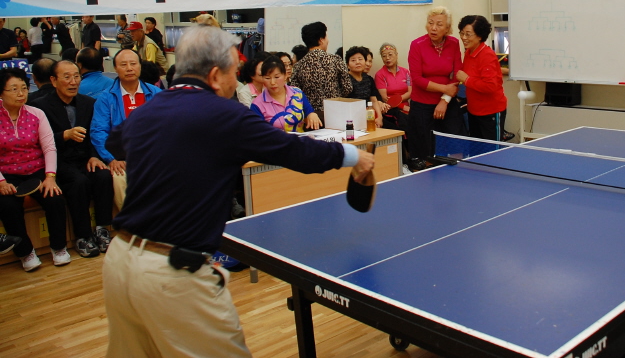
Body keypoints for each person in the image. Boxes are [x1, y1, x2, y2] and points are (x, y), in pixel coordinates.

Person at [101, 24, 374, 358]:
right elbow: (296, 152)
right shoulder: (224, 114)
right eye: (234, 71)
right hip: (171, 271)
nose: (238, 80)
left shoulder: (149, 110)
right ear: (215, 75)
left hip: (120, 263)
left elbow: (116, 141)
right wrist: (353, 155)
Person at [31, 60, 114, 257]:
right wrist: (64, 135)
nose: (73, 82)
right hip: (58, 161)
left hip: (84, 158)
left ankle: (103, 229)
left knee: (103, 175)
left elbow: (96, 134)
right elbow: (37, 142)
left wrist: (95, 156)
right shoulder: (39, 107)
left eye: (76, 76)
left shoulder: (89, 103)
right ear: (53, 80)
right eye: (67, 77)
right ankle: (82, 236)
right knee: (79, 182)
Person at [0, 68, 70, 271]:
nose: (21, 93)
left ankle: (59, 248)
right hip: (7, 175)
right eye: (14, 89)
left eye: (23, 88)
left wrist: (50, 177)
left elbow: (49, 147)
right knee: (8, 206)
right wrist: (1, 182)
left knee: (55, 198)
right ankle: (25, 252)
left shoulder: (36, 114)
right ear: (1, 93)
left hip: (37, 170)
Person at [91, 49, 162, 209]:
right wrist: (111, 159)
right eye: (123, 65)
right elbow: (99, 132)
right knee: (119, 176)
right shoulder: (105, 98)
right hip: (122, 158)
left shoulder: (157, 94)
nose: (129, 68)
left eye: (133, 64)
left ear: (140, 66)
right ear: (115, 68)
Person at [407, 7, 464, 170]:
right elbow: (417, 79)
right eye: (430, 23)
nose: (433, 28)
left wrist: (444, 100)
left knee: (455, 146)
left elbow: (456, 75)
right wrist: (444, 89)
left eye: (439, 24)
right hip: (421, 105)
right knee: (425, 153)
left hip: (447, 103)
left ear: (447, 28)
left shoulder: (453, 43)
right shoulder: (417, 45)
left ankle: (455, 179)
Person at [455, 15, 508, 141]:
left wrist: (467, 79)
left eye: (468, 34)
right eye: (462, 33)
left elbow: (490, 86)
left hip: (491, 112)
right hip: (474, 111)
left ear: (479, 36)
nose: (463, 38)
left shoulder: (487, 55)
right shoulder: (468, 52)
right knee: (477, 150)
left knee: (492, 152)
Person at [290, 22, 352, 123]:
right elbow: (347, 87)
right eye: (326, 37)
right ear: (321, 39)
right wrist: (335, 97)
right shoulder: (335, 60)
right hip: (335, 112)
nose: (328, 40)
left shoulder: (299, 65)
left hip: (310, 117)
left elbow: (295, 92)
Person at [251, 56, 320, 131]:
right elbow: (257, 132)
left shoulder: (297, 93)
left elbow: (309, 111)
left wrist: (312, 115)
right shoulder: (257, 104)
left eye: (277, 77)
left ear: (285, 75)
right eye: (267, 78)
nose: (272, 82)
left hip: (300, 140)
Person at [345, 46, 385, 128]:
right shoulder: (345, 79)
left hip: (370, 115)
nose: (357, 62)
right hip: (352, 117)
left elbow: (374, 100)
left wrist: (380, 117)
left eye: (360, 59)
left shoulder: (369, 79)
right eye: (353, 60)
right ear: (347, 65)